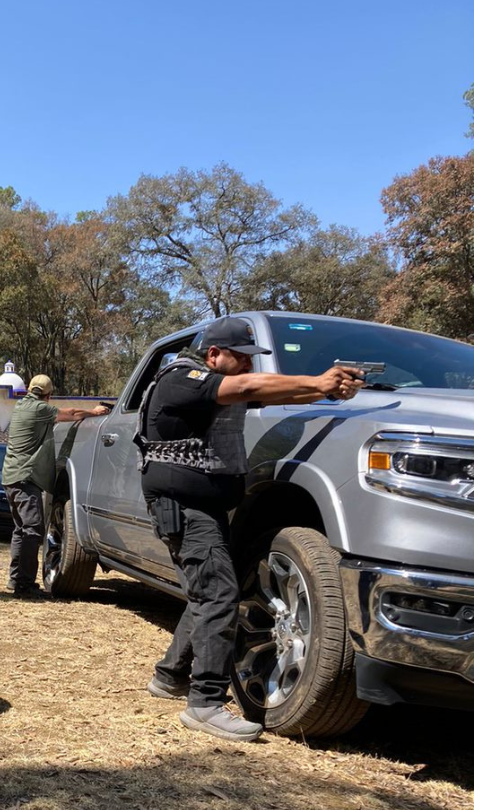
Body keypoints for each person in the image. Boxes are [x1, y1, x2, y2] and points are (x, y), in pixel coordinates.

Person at [136, 318, 364, 743]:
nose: (245, 366)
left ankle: (169, 677)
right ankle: (204, 704)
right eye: (239, 358)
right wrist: (318, 382)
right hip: (185, 507)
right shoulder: (183, 379)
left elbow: (261, 389)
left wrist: (325, 389)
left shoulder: (212, 380)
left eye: (249, 359)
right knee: (218, 593)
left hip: (203, 505)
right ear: (213, 355)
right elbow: (247, 389)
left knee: (207, 591)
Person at [2, 375, 109, 596]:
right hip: (25, 478)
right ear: (48, 395)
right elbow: (70, 414)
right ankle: (24, 584)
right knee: (33, 530)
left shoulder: (21, 405)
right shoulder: (39, 409)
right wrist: (95, 413)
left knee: (21, 530)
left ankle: (15, 579)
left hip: (11, 478)